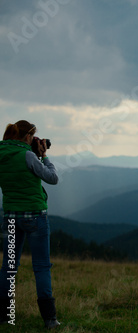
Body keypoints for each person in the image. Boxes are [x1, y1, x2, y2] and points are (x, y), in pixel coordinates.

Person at [0, 120, 60, 329]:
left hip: (10, 217)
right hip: (34, 217)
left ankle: (5, 315)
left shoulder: (1, 154)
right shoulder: (28, 156)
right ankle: (49, 318)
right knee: (41, 267)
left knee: (8, 266)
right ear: (27, 137)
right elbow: (52, 178)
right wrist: (44, 156)